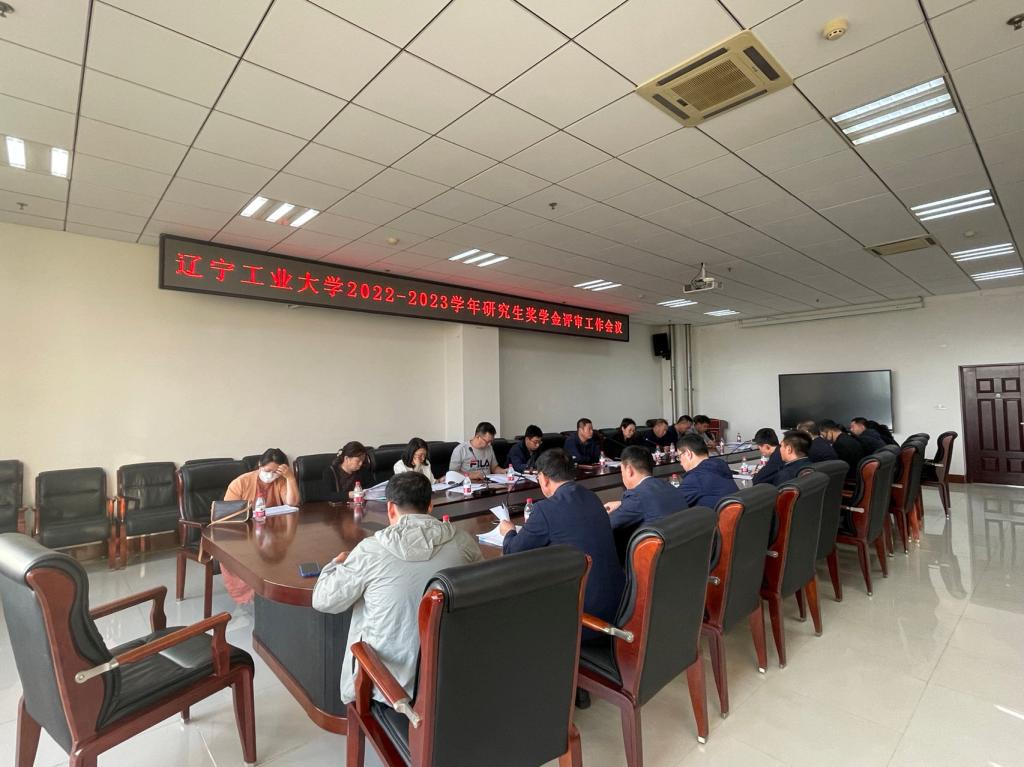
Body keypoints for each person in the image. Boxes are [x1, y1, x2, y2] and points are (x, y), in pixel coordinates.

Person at [312, 472, 482, 705]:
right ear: (430, 506)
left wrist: (334, 565)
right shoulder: (463, 542)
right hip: (451, 677)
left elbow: (323, 600)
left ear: (390, 508)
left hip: (390, 690)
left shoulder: (370, 550)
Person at [499, 449, 624, 634]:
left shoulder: (545, 509)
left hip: (584, 616)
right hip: (619, 607)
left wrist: (509, 531)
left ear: (544, 478)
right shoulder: (592, 497)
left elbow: (512, 551)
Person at [223, 448, 300, 604]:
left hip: (272, 531)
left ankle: (277, 589)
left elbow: (292, 503)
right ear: (259, 465)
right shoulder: (241, 482)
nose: (270, 475)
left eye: (275, 472)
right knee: (243, 555)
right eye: (267, 471)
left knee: (286, 550)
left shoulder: (280, 481)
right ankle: (248, 596)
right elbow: (227, 512)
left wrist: (290, 478)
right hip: (243, 532)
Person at [603, 446, 686, 528]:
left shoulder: (636, 496)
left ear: (629, 470)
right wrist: (623, 504)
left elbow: (605, 526)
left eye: (622, 471)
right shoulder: (669, 486)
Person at [676, 434, 736, 508]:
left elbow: (672, 504)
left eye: (679, 456)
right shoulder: (720, 465)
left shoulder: (696, 477)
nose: (680, 463)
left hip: (714, 515)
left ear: (688, 454)